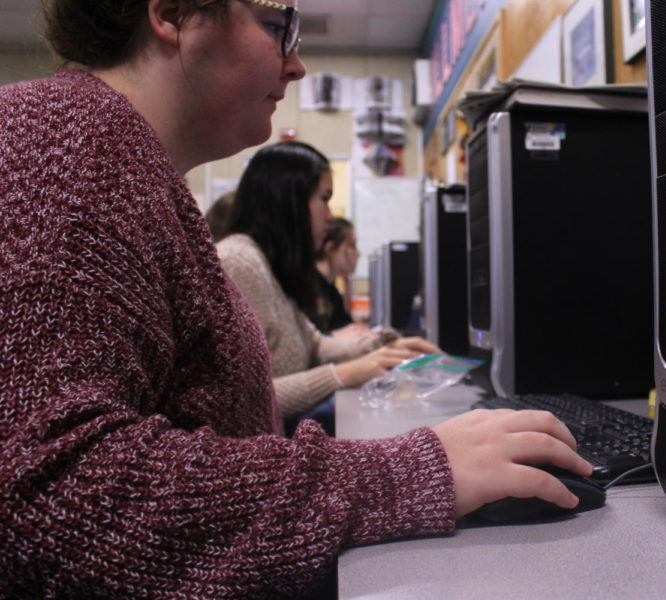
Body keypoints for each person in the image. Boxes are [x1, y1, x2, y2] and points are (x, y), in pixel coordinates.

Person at [0, 0, 593, 597]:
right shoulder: (64, 142)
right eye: (278, 29)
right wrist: (407, 472)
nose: (297, 66)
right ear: (173, 13)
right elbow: (52, 496)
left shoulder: (125, 166)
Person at [217, 141, 433, 426]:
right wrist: (345, 374)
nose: (330, 217)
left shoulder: (269, 264)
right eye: (325, 198)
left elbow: (315, 346)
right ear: (289, 201)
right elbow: (240, 400)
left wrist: (384, 346)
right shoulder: (238, 263)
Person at [312, 217, 368, 336]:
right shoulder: (309, 286)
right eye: (352, 245)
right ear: (331, 248)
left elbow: (344, 325)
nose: (358, 253)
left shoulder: (330, 288)